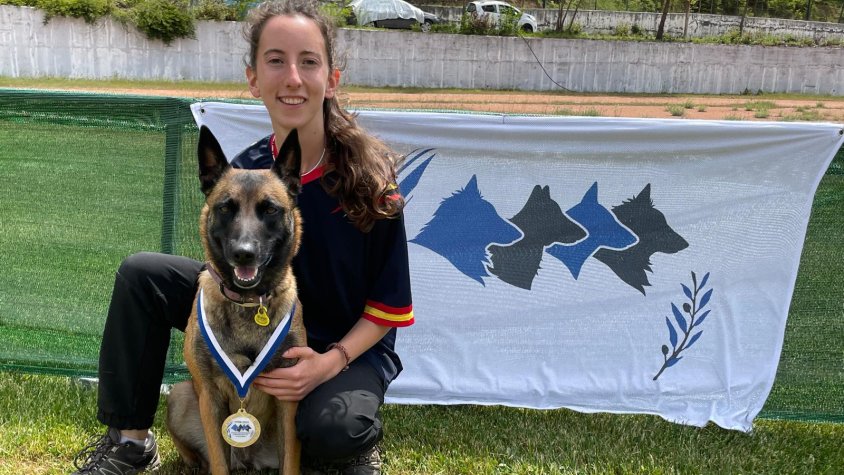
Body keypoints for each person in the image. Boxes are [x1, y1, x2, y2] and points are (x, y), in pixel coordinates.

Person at [71, 1, 414, 474]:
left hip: (340, 345)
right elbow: (228, 255)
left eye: (308, 61)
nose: (292, 77)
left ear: (332, 79)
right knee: (142, 274)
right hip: (258, 308)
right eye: (276, 60)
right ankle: (129, 441)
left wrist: (328, 362)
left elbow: (389, 308)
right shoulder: (247, 170)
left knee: (334, 429)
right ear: (253, 78)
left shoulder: (371, 184)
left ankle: (355, 446)